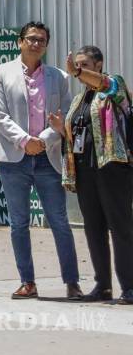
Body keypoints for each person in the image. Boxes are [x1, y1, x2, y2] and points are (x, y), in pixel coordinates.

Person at [0, 21, 80, 300]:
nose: (36, 44)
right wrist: (24, 141)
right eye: (31, 39)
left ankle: (72, 282)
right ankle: (27, 282)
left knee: (59, 221)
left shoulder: (58, 77)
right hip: (13, 159)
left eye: (41, 40)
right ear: (20, 42)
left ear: (46, 45)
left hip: (47, 157)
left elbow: (65, 115)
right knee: (18, 223)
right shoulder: (2, 72)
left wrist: (41, 140)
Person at [60, 46, 133, 304]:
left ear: (99, 65)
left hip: (112, 168)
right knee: (94, 229)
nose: (79, 70)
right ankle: (102, 286)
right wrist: (62, 128)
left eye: (85, 65)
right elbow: (78, 135)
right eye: (77, 65)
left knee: (120, 228)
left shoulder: (114, 86)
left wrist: (78, 73)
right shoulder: (80, 100)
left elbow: (105, 84)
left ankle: (130, 287)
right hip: (85, 170)